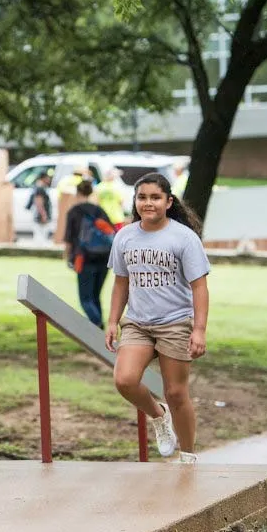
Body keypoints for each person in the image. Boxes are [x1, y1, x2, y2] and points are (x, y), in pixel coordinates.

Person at [104, 172, 210, 464]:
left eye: (155, 197)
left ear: (168, 201)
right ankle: (159, 416)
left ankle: (188, 456)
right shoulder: (125, 236)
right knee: (125, 380)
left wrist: (198, 330)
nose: (148, 203)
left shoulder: (183, 238)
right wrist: (113, 321)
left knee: (176, 392)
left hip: (175, 322)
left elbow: (199, 287)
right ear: (135, 201)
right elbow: (121, 283)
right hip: (138, 323)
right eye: (142, 197)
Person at [63, 180, 114, 329]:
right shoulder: (99, 210)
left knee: (85, 298)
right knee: (96, 295)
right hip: (104, 257)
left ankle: (97, 324)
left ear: (78, 193)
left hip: (83, 258)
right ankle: (99, 328)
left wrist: (67, 256)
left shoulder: (74, 211)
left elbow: (69, 238)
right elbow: (110, 233)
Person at [25, 173, 52, 244]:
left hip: (39, 214)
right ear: (43, 178)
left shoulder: (39, 187)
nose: (49, 180)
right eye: (48, 178)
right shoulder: (40, 188)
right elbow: (38, 202)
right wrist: (43, 214)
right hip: (40, 215)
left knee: (40, 236)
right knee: (41, 236)